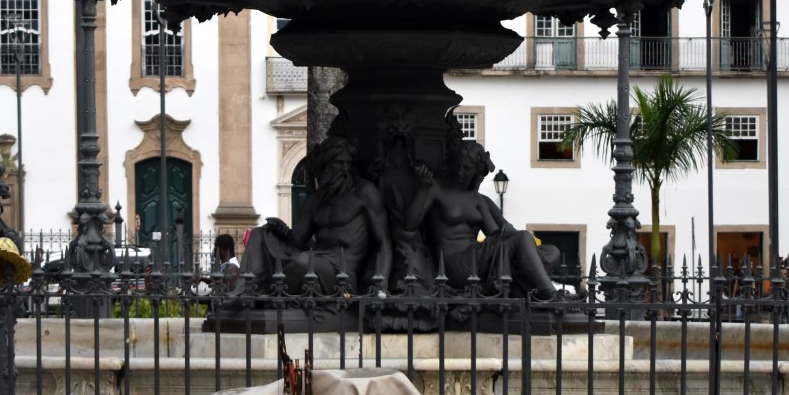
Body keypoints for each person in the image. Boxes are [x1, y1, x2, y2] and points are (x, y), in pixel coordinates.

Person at [233, 137, 392, 296]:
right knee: (259, 234)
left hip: (341, 271)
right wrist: (282, 230)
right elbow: (297, 240)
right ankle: (244, 291)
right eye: (339, 163)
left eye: (348, 163)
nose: (345, 169)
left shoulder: (364, 192)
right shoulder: (316, 199)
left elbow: (384, 242)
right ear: (326, 164)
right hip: (314, 258)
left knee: (302, 262)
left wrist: (381, 284)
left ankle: (263, 294)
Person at [404, 139, 561, 300]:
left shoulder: (478, 200)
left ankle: (536, 289)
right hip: (453, 265)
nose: (460, 172)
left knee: (552, 251)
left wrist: (505, 232)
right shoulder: (435, 188)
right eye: (458, 165)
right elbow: (409, 225)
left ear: (476, 172)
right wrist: (422, 189)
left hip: (476, 259)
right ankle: (548, 294)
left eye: (466, 168)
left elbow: (494, 235)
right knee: (523, 239)